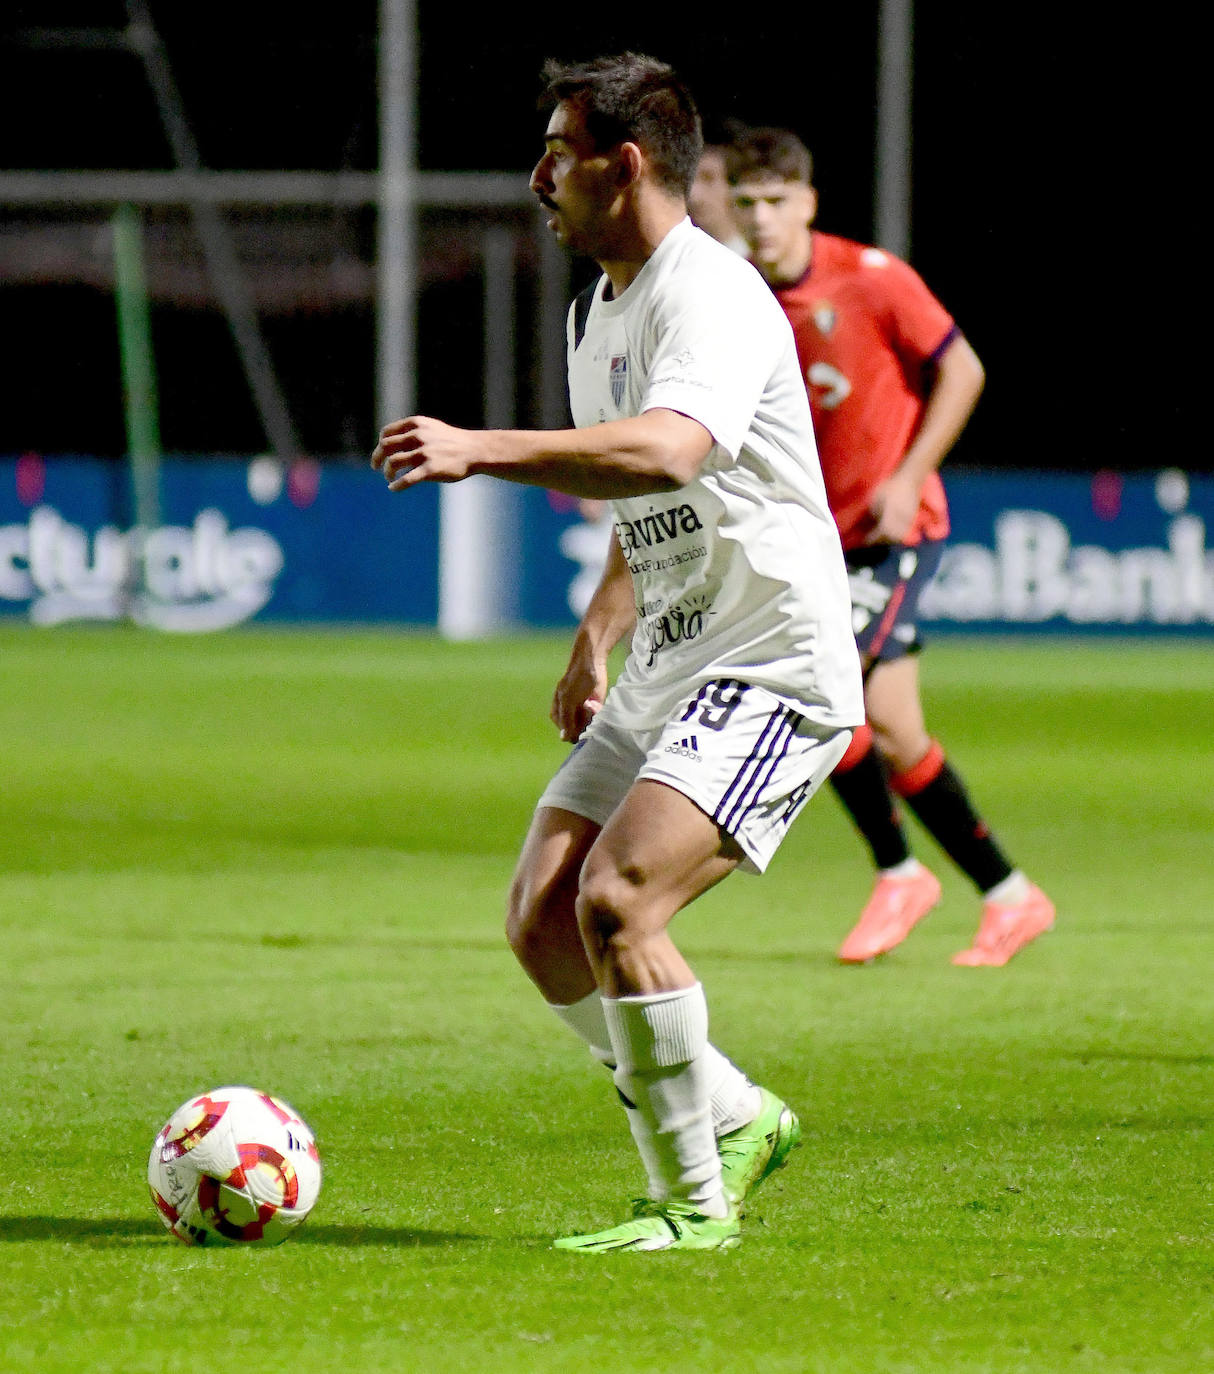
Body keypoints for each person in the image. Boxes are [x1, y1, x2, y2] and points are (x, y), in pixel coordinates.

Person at [373, 56, 864, 1251]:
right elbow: (639, 502)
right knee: (542, 918)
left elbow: (665, 453)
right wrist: (597, 631)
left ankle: (694, 1201)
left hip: (769, 657)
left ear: (623, 163)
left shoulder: (712, 293)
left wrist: (477, 448)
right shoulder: (596, 306)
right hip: (669, 656)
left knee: (619, 897)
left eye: (557, 150)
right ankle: (733, 1110)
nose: (538, 175)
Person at [727, 126, 1055, 968]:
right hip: (814, 540)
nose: (761, 220)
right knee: (897, 733)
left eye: (775, 202)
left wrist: (910, 473)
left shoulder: (872, 279)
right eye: (746, 203)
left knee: (828, 690)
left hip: (893, 530)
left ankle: (899, 870)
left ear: (807, 201)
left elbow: (965, 368)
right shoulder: (734, 296)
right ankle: (1011, 896)